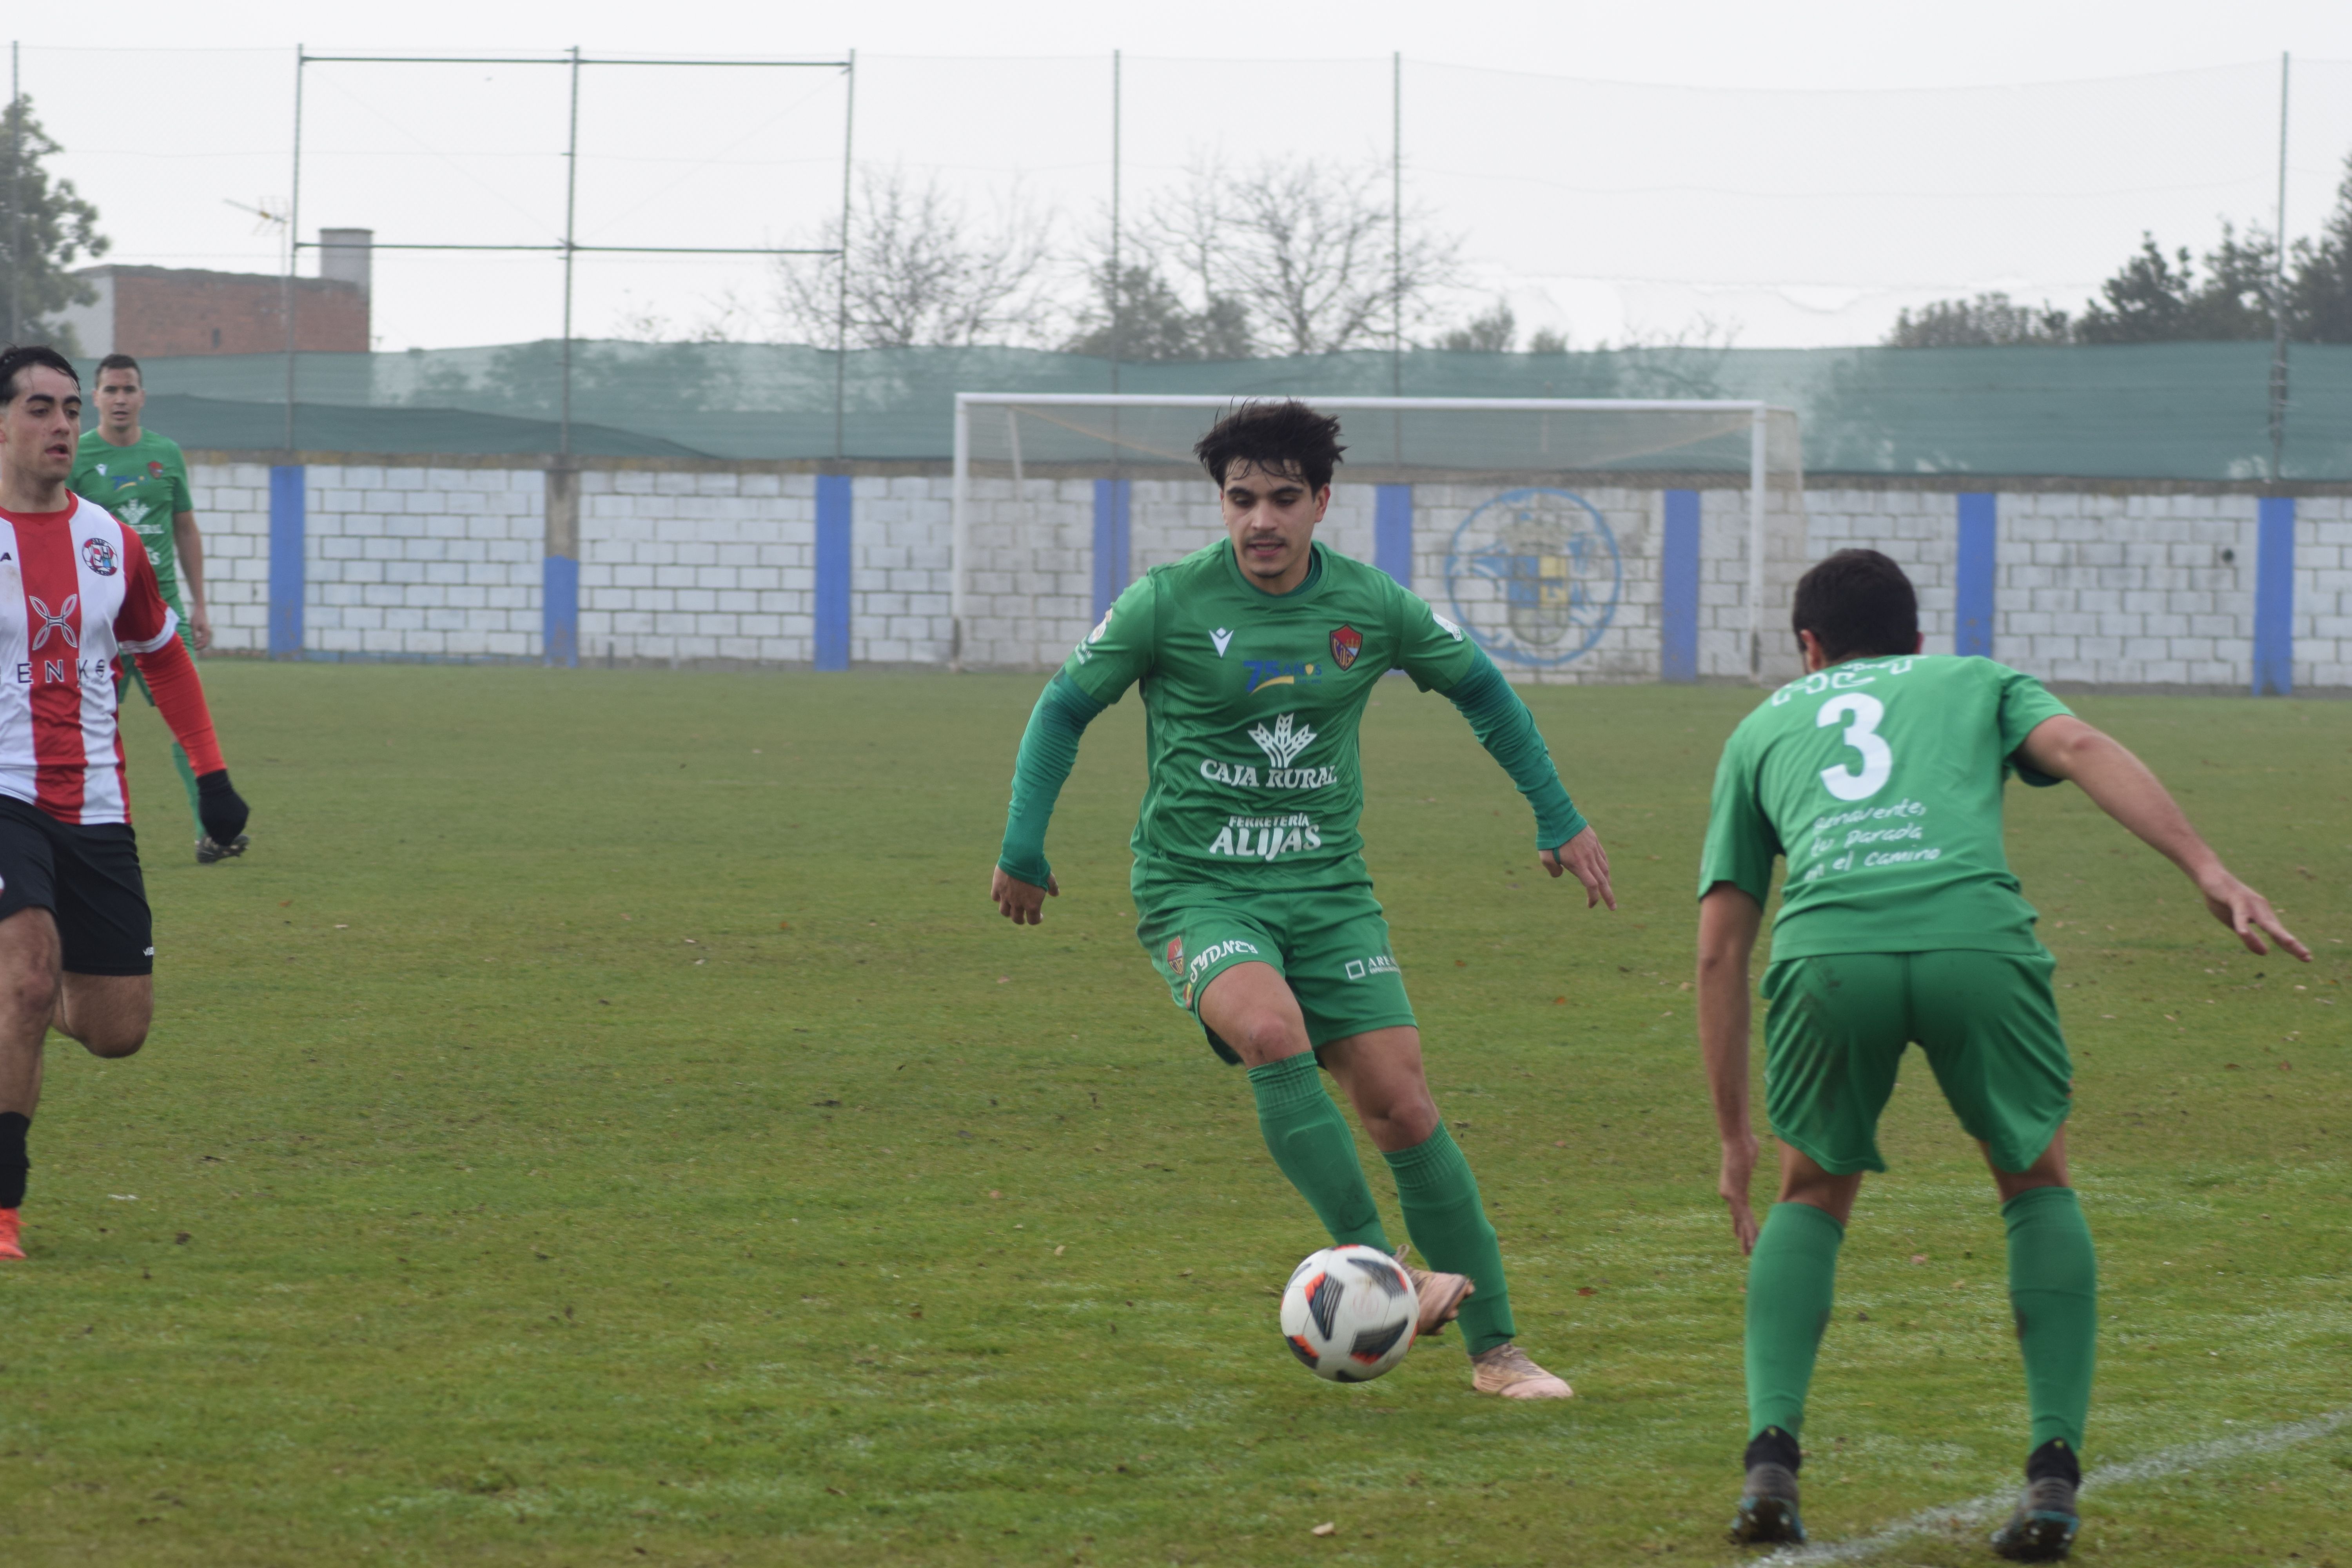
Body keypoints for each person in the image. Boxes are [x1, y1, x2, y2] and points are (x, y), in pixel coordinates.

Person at [991, 400, 1616, 1399]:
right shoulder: (1166, 601)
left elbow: (1484, 688)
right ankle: (1389, 1273)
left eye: (1284, 498)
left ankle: (1499, 1353)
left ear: (1323, 501)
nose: (1262, 521)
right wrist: (1024, 845)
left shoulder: (1372, 607)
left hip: (1328, 892)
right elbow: (1065, 705)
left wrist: (1558, 816)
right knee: (1273, 1033)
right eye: (1242, 499)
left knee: (1404, 1106)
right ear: (1222, 503)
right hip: (1199, 888)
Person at [1695, 548, 2308, 1557]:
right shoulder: (1974, 679)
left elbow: (1721, 945)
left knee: (1811, 1189)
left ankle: (1772, 1460)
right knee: (2035, 1177)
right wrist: (2208, 866)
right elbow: (2078, 742)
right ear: (1918, 638)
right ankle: (2054, 1478)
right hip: (1974, 942)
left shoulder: (1761, 726)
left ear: (1809, 647)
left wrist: (1732, 1136)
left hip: (1829, 954)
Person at [0, 345, 250, 1262]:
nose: (63, 423)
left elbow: (164, 653)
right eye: (40, 407)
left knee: (116, 1029)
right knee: (25, 980)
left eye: (71, 407)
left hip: (96, 803)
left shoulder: (111, 540)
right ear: (1, 422)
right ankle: (4, 1210)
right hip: (4, 794)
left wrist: (213, 777)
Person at [71, 352, 243, 864]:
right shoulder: (75, 457)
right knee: (78, 726)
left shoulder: (166, 453)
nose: (120, 399)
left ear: (142, 396)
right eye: (111, 390)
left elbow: (185, 529)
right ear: (95, 398)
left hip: (163, 618)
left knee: (189, 726)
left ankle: (214, 833)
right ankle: (69, 827)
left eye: (129, 390)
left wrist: (201, 604)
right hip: (99, 623)